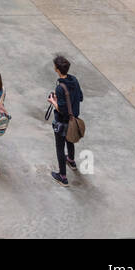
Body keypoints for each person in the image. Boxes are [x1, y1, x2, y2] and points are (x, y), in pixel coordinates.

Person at [49, 55, 84, 186]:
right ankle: (71, 160)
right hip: (73, 119)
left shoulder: (60, 87)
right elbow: (80, 97)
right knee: (70, 139)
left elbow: (62, 110)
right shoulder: (74, 80)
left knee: (59, 147)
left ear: (57, 69)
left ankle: (62, 176)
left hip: (62, 121)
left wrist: (53, 101)